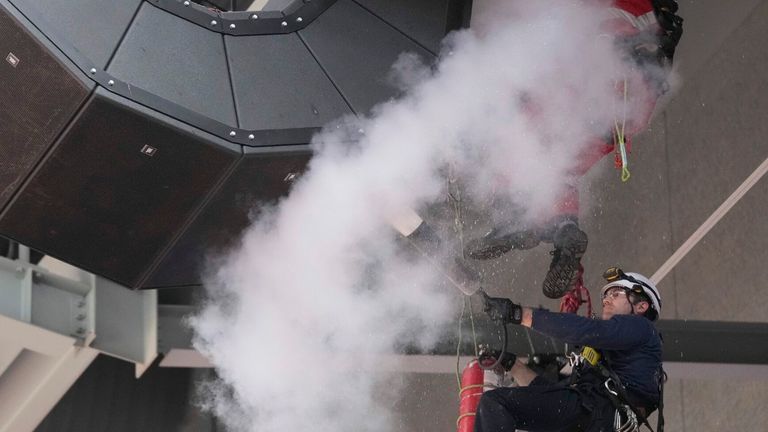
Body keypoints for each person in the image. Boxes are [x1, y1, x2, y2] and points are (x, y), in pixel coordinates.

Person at [464, 0, 684, 300]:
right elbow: (654, 63)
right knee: (561, 169)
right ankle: (562, 229)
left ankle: (511, 221)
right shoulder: (653, 15)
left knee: (512, 145)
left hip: (594, 99)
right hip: (621, 116)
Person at [474, 268, 664, 432]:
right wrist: (513, 365)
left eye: (616, 294)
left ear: (641, 306)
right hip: (592, 420)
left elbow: (589, 330)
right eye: (606, 295)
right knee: (498, 404)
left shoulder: (643, 329)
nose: (606, 300)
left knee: (494, 404)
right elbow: (552, 395)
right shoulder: (607, 364)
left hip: (596, 415)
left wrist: (518, 314)